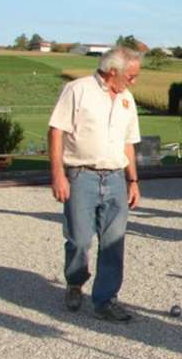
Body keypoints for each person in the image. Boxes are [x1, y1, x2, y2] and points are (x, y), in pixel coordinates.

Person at [48, 47, 142, 322]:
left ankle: (105, 301)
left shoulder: (127, 99)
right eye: (131, 76)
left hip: (115, 178)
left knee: (114, 242)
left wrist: (132, 181)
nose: (134, 81)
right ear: (114, 71)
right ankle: (75, 282)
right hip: (81, 176)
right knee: (78, 239)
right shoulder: (78, 90)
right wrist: (58, 175)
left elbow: (128, 143)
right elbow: (56, 131)